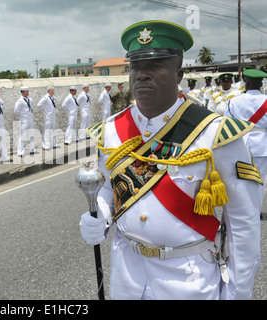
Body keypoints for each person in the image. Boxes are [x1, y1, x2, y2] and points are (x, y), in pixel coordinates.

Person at [80, 20, 261, 300]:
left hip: (188, 278)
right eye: (136, 67)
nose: (142, 75)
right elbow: (109, 186)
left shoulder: (215, 133)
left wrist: (238, 293)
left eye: (155, 66)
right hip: (126, 275)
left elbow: (242, 223)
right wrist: (101, 216)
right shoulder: (111, 129)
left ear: (179, 74)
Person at [225, 69, 267, 190]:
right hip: (262, 147)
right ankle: (255, 208)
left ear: (246, 83)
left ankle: (244, 207)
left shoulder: (233, 101)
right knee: (259, 181)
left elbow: (227, 125)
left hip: (240, 144)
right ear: (261, 84)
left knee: (240, 181)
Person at [14, 87, 36, 157]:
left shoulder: (30, 99)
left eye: (28, 91)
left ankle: (32, 149)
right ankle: (20, 151)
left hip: (30, 119)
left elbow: (31, 107)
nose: (27, 92)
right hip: (24, 120)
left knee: (31, 135)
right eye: (26, 91)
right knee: (22, 136)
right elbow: (16, 111)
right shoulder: (20, 101)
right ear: (22, 92)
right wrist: (22, 116)